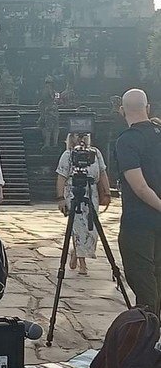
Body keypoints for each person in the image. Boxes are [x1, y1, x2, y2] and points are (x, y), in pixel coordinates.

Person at [115, 89, 161, 316]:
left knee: (143, 281)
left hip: (139, 223)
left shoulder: (128, 140)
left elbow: (141, 188)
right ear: (148, 108)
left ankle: (149, 335)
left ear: (122, 110)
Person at [55, 133, 110, 276]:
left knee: (91, 228)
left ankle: (77, 252)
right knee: (78, 227)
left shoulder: (95, 153)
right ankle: (82, 263)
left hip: (92, 192)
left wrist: (107, 192)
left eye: (84, 136)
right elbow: (61, 176)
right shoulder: (68, 154)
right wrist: (60, 198)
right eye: (77, 136)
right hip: (74, 190)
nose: (81, 139)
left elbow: (102, 172)